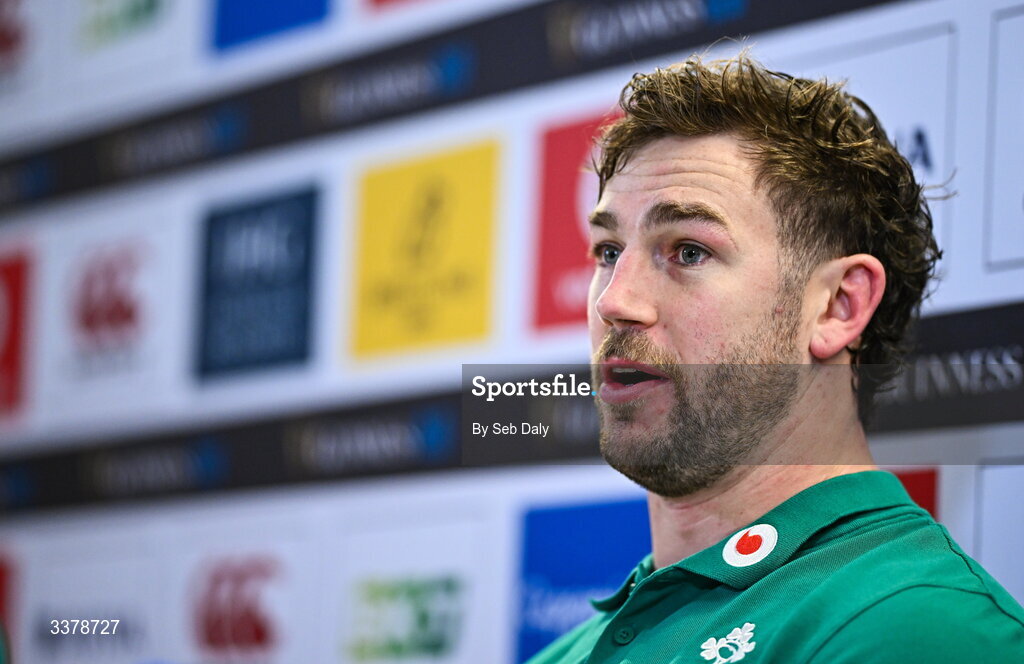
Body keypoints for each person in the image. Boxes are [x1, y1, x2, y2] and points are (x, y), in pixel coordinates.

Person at [525, 53, 1024, 663]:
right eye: (607, 252)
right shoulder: (563, 656)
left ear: (839, 306)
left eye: (687, 251)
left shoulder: (921, 626)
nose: (614, 302)